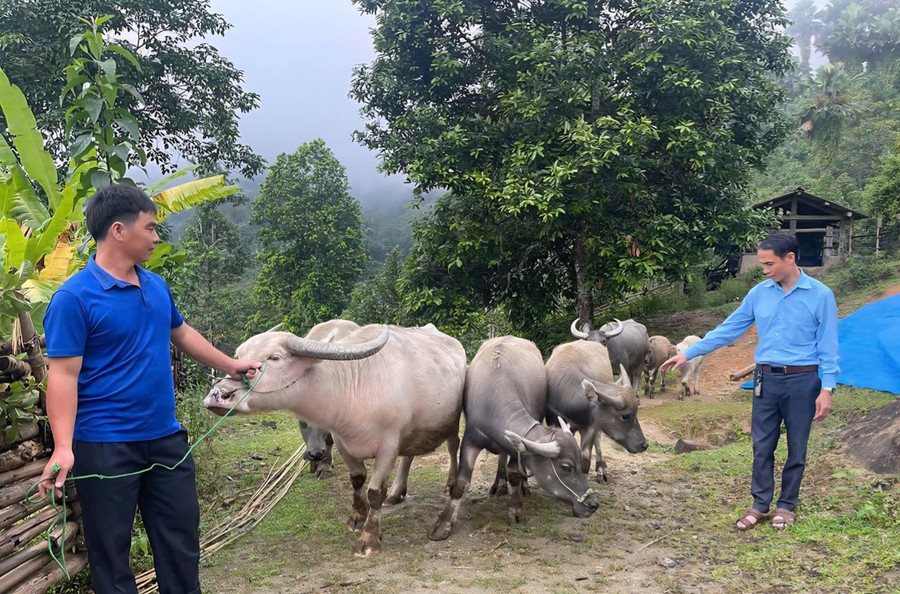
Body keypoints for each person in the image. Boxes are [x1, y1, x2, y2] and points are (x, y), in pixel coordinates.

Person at [37, 184, 261, 594]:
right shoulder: (73, 298)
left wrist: (231, 364)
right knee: (112, 552)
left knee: (180, 543)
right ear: (119, 230)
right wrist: (64, 447)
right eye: (151, 227)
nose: (157, 237)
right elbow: (63, 377)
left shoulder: (155, 285)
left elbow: (182, 333)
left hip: (165, 440)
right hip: (104, 445)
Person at [660, 230, 838, 531]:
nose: (765, 271)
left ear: (790, 258)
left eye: (769, 264)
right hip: (765, 380)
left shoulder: (821, 295)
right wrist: (687, 353)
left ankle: (787, 506)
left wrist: (827, 388)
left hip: (802, 380)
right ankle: (760, 504)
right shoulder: (759, 294)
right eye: (762, 265)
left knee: (797, 446)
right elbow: (728, 329)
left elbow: (829, 346)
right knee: (762, 444)